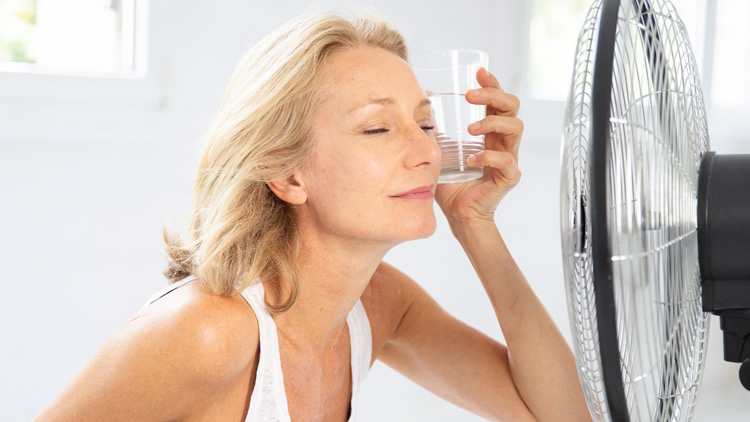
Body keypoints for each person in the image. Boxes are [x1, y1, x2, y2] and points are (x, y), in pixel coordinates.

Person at [35, 10, 588, 422]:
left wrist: (475, 223)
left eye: (425, 123)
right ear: (288, 176)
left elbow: (558, 415)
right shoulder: (209, 331)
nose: (427, 152)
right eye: (377, 128)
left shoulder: (377, 303)